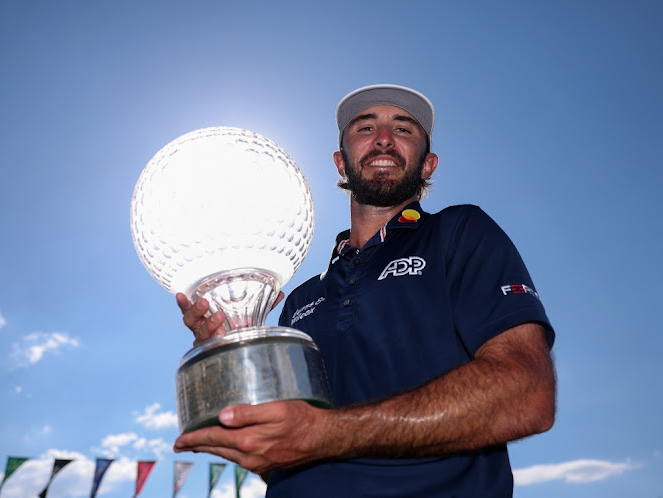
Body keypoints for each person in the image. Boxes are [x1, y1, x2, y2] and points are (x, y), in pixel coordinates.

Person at [173, 84, 556, 497]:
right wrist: (228, 348)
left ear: (428, 165)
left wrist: (323, 433)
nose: (384, 138)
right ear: (341, 163)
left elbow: (527, 392)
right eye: (366, 127)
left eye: (404, 129)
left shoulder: (459, 233)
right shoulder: (300, 301)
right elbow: (280, 449)